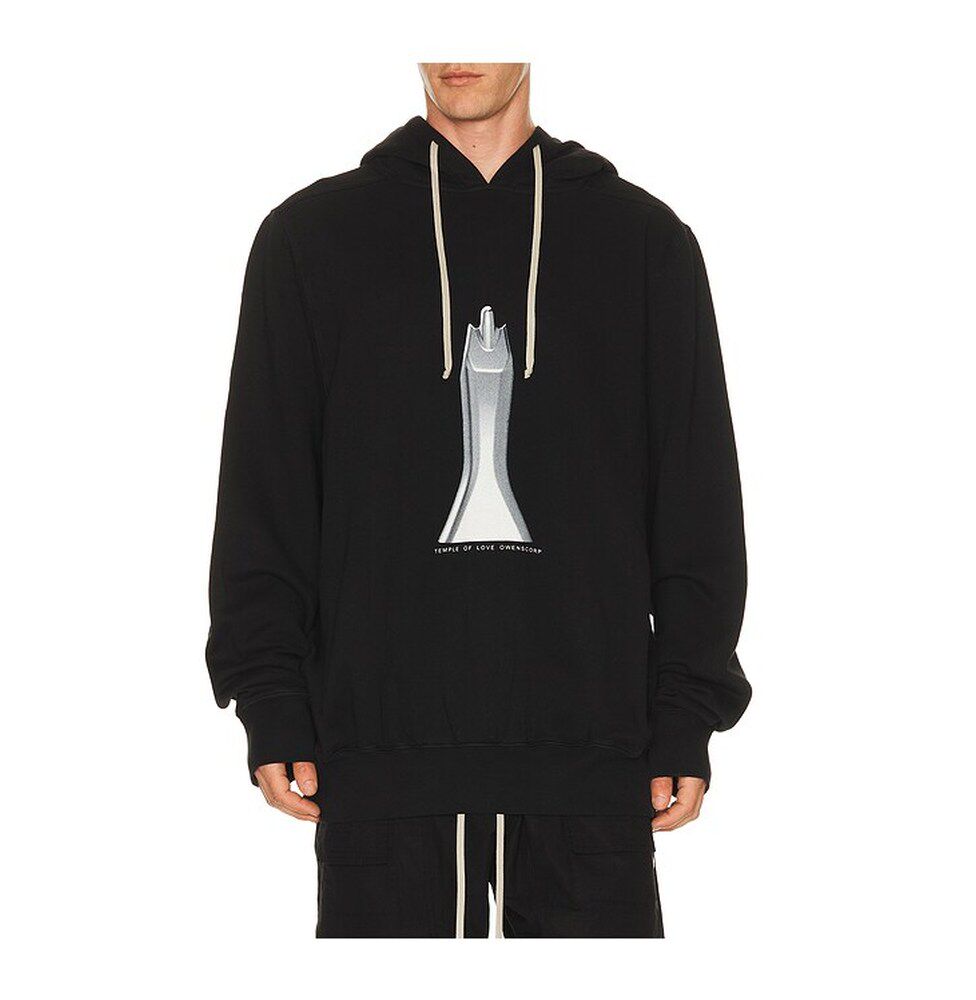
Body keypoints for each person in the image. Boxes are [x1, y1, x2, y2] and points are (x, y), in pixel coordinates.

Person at [206, 62, 751, 938]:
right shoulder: (311, 239)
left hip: (590, 767)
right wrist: (269, 698)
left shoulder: (643, 242)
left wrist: (688, 710)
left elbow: (696, 498)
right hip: (381, 764)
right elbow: (266, 493)